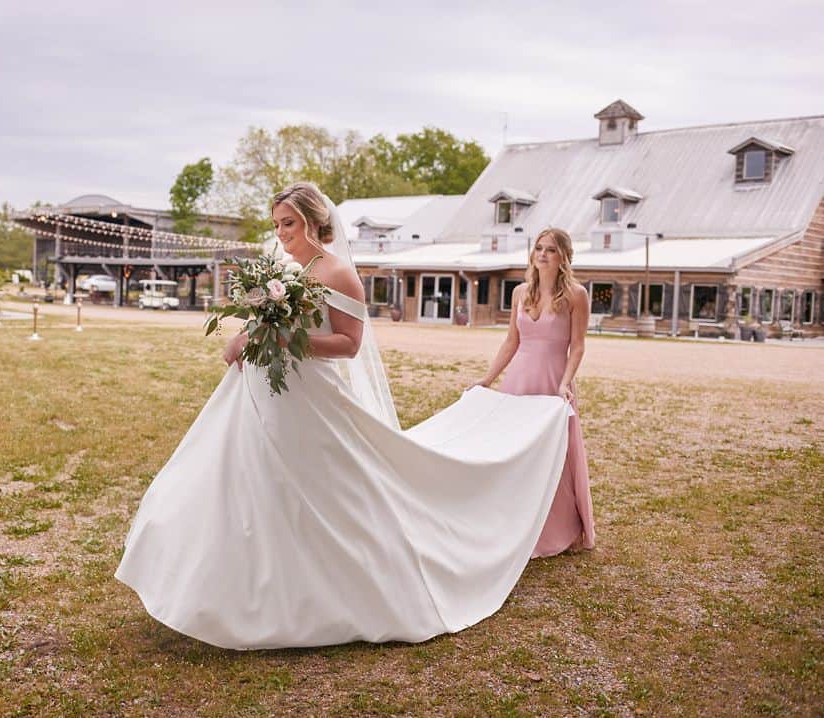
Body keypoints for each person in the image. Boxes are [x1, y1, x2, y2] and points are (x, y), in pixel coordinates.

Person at [114, 183, 575, 650]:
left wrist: (289, 344)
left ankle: (324, 589)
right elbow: (266, 323)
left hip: (311, 395)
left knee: (317, 486)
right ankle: (214, 588)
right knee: (229, 474)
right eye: (276, 225)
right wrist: (246, 335)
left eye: (288, 224)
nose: (281, 233)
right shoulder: (280, 270)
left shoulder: (339, 274)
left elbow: (348, 344)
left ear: (314, 222)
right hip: (257, 390)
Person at [470, 228, 596, 557]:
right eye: (538, 248)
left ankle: (560, 530)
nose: (542, 254)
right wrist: (488, 379)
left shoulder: (576, 295)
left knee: (555, 455)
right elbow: (512, 341)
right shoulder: (520, 293)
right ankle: (513, 525)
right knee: (516, 452)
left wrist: (565, 384)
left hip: (554, 381)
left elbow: (578, 347)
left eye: (550, 250)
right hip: (519, 381)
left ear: (563, 256)